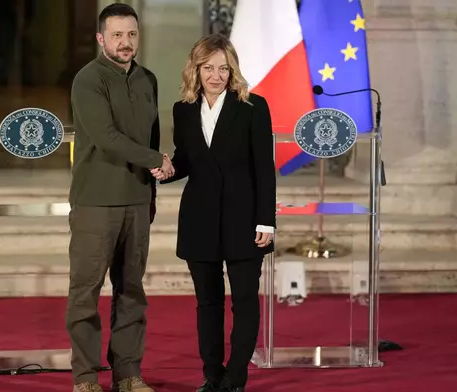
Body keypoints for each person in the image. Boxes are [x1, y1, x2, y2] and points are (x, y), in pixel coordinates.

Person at [153, 34, 276, 392]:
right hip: (200, 220)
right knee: (207, 304)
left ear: (232, 70)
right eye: (209, 68)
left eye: (224, 68)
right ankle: (212, 375)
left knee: (244, 303)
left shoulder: (253, 106)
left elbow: (264, 169)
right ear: (196, 69)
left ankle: (235, 377)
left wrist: (266, 220)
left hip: (245, 221)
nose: (216, 75)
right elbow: (186, 160)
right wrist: (168, 170)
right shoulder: (183, 109)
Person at [66, 3, 174, 392]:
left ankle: (127, 373)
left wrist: (153, 183)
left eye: (131, 34)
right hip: (97, 200)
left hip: (137, 200)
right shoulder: (88, 80)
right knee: (86, 290)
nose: (125, 42)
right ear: (101, 38)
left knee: (132, 291)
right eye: (116, 35)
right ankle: (86, 377)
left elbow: (152, 135)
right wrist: (156, 160)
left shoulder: (147, 78)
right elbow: (106, 137)